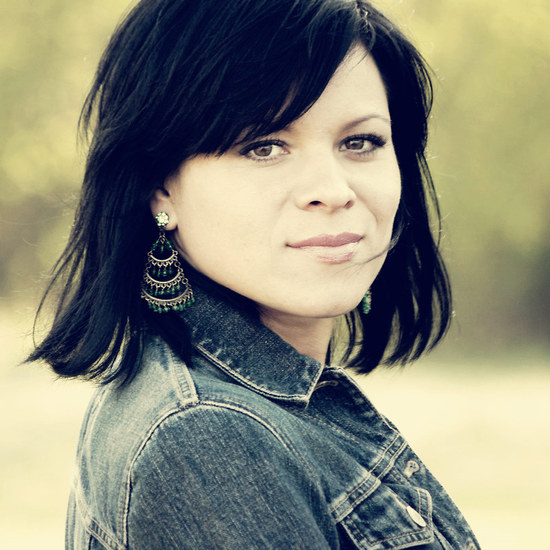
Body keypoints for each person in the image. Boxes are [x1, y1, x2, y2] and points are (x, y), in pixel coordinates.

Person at [29, 0, 480, 548]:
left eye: (360, 142)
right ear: (160, 186)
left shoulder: (228, 401)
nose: (333, 190)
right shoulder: (205, 436)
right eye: (264, 147)